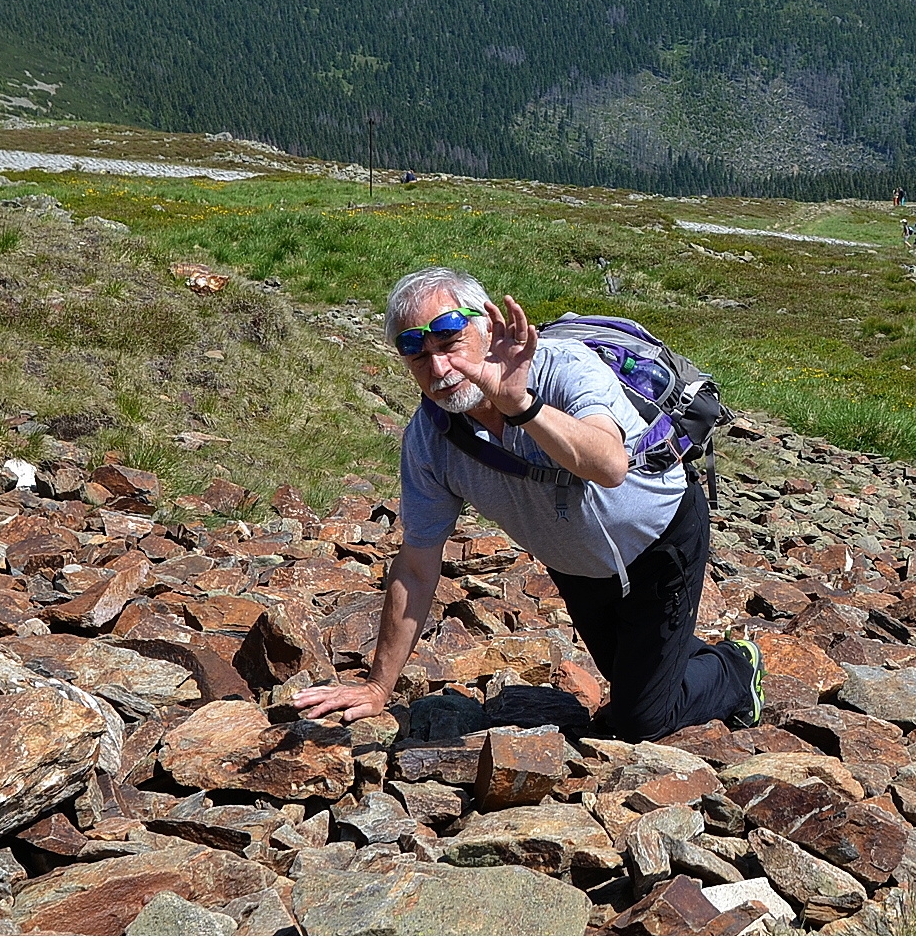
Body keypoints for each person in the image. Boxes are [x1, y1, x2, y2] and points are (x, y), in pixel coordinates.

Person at [293, 267, 763, 741]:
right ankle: (671, 653)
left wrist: (523, 407)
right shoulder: (429, 439)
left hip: (660, 540)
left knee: (641, 719)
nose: (438, 369)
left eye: (450, 340)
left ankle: (735, 667)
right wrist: (377, 688)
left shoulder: (564, 367)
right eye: (417, 354)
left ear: (488, 328)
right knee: (636, 679)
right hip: (577, 566)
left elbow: (609, 465)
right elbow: (416, 566)